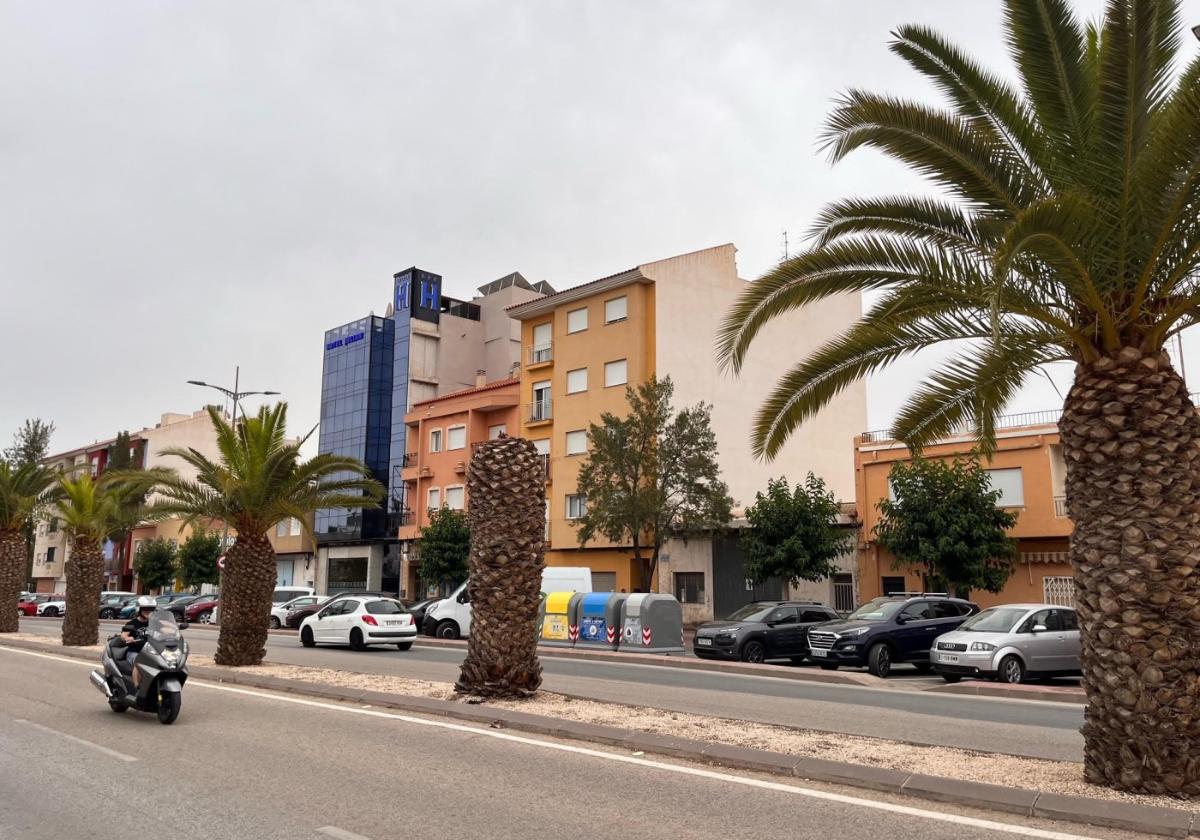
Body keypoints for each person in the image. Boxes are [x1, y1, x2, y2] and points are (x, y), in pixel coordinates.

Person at [120, 596, 155, 689]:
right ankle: (137, 688)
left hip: (152, 652)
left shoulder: (155, 622)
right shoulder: (132, 623)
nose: (148, 611)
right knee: (139, 662)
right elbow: (123, 635)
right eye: (145, 609)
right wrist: (128, 638)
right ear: (139, 609)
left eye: (151, 609)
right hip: (135, 651)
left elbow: (165, 629)